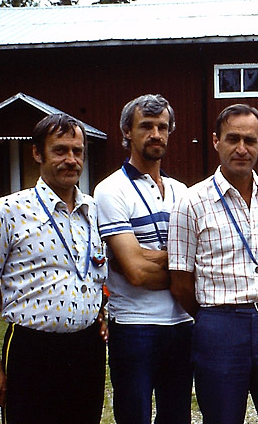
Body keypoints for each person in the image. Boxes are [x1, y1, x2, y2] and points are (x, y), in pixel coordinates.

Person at [168, 104, 258, 424]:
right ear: (216, 141)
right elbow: (180, 282)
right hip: (219, 326)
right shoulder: (191, 202)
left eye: (250, 140)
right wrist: (214, 319)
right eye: (233, 139)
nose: (242, 148)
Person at [0, 113, 107, 424]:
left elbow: (94, 272)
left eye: (77, 151)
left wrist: (101, 311)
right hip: (33, 351)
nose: (70, 160)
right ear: (37, 153)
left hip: (87, 350)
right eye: (60, 150)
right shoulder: (6, 211)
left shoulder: (94, 212)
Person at [94, 94, 193, 424]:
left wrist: (146, 255)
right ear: (127, 131)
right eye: (146, 126)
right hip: (135, 327)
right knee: (134, 416)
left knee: (176, 416)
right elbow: (135, 272)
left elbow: (200, 258)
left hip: (182, 325)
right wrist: (178, 264)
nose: (156, 134)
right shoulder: (111, 190)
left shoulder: (182, 192)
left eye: (162, 127)